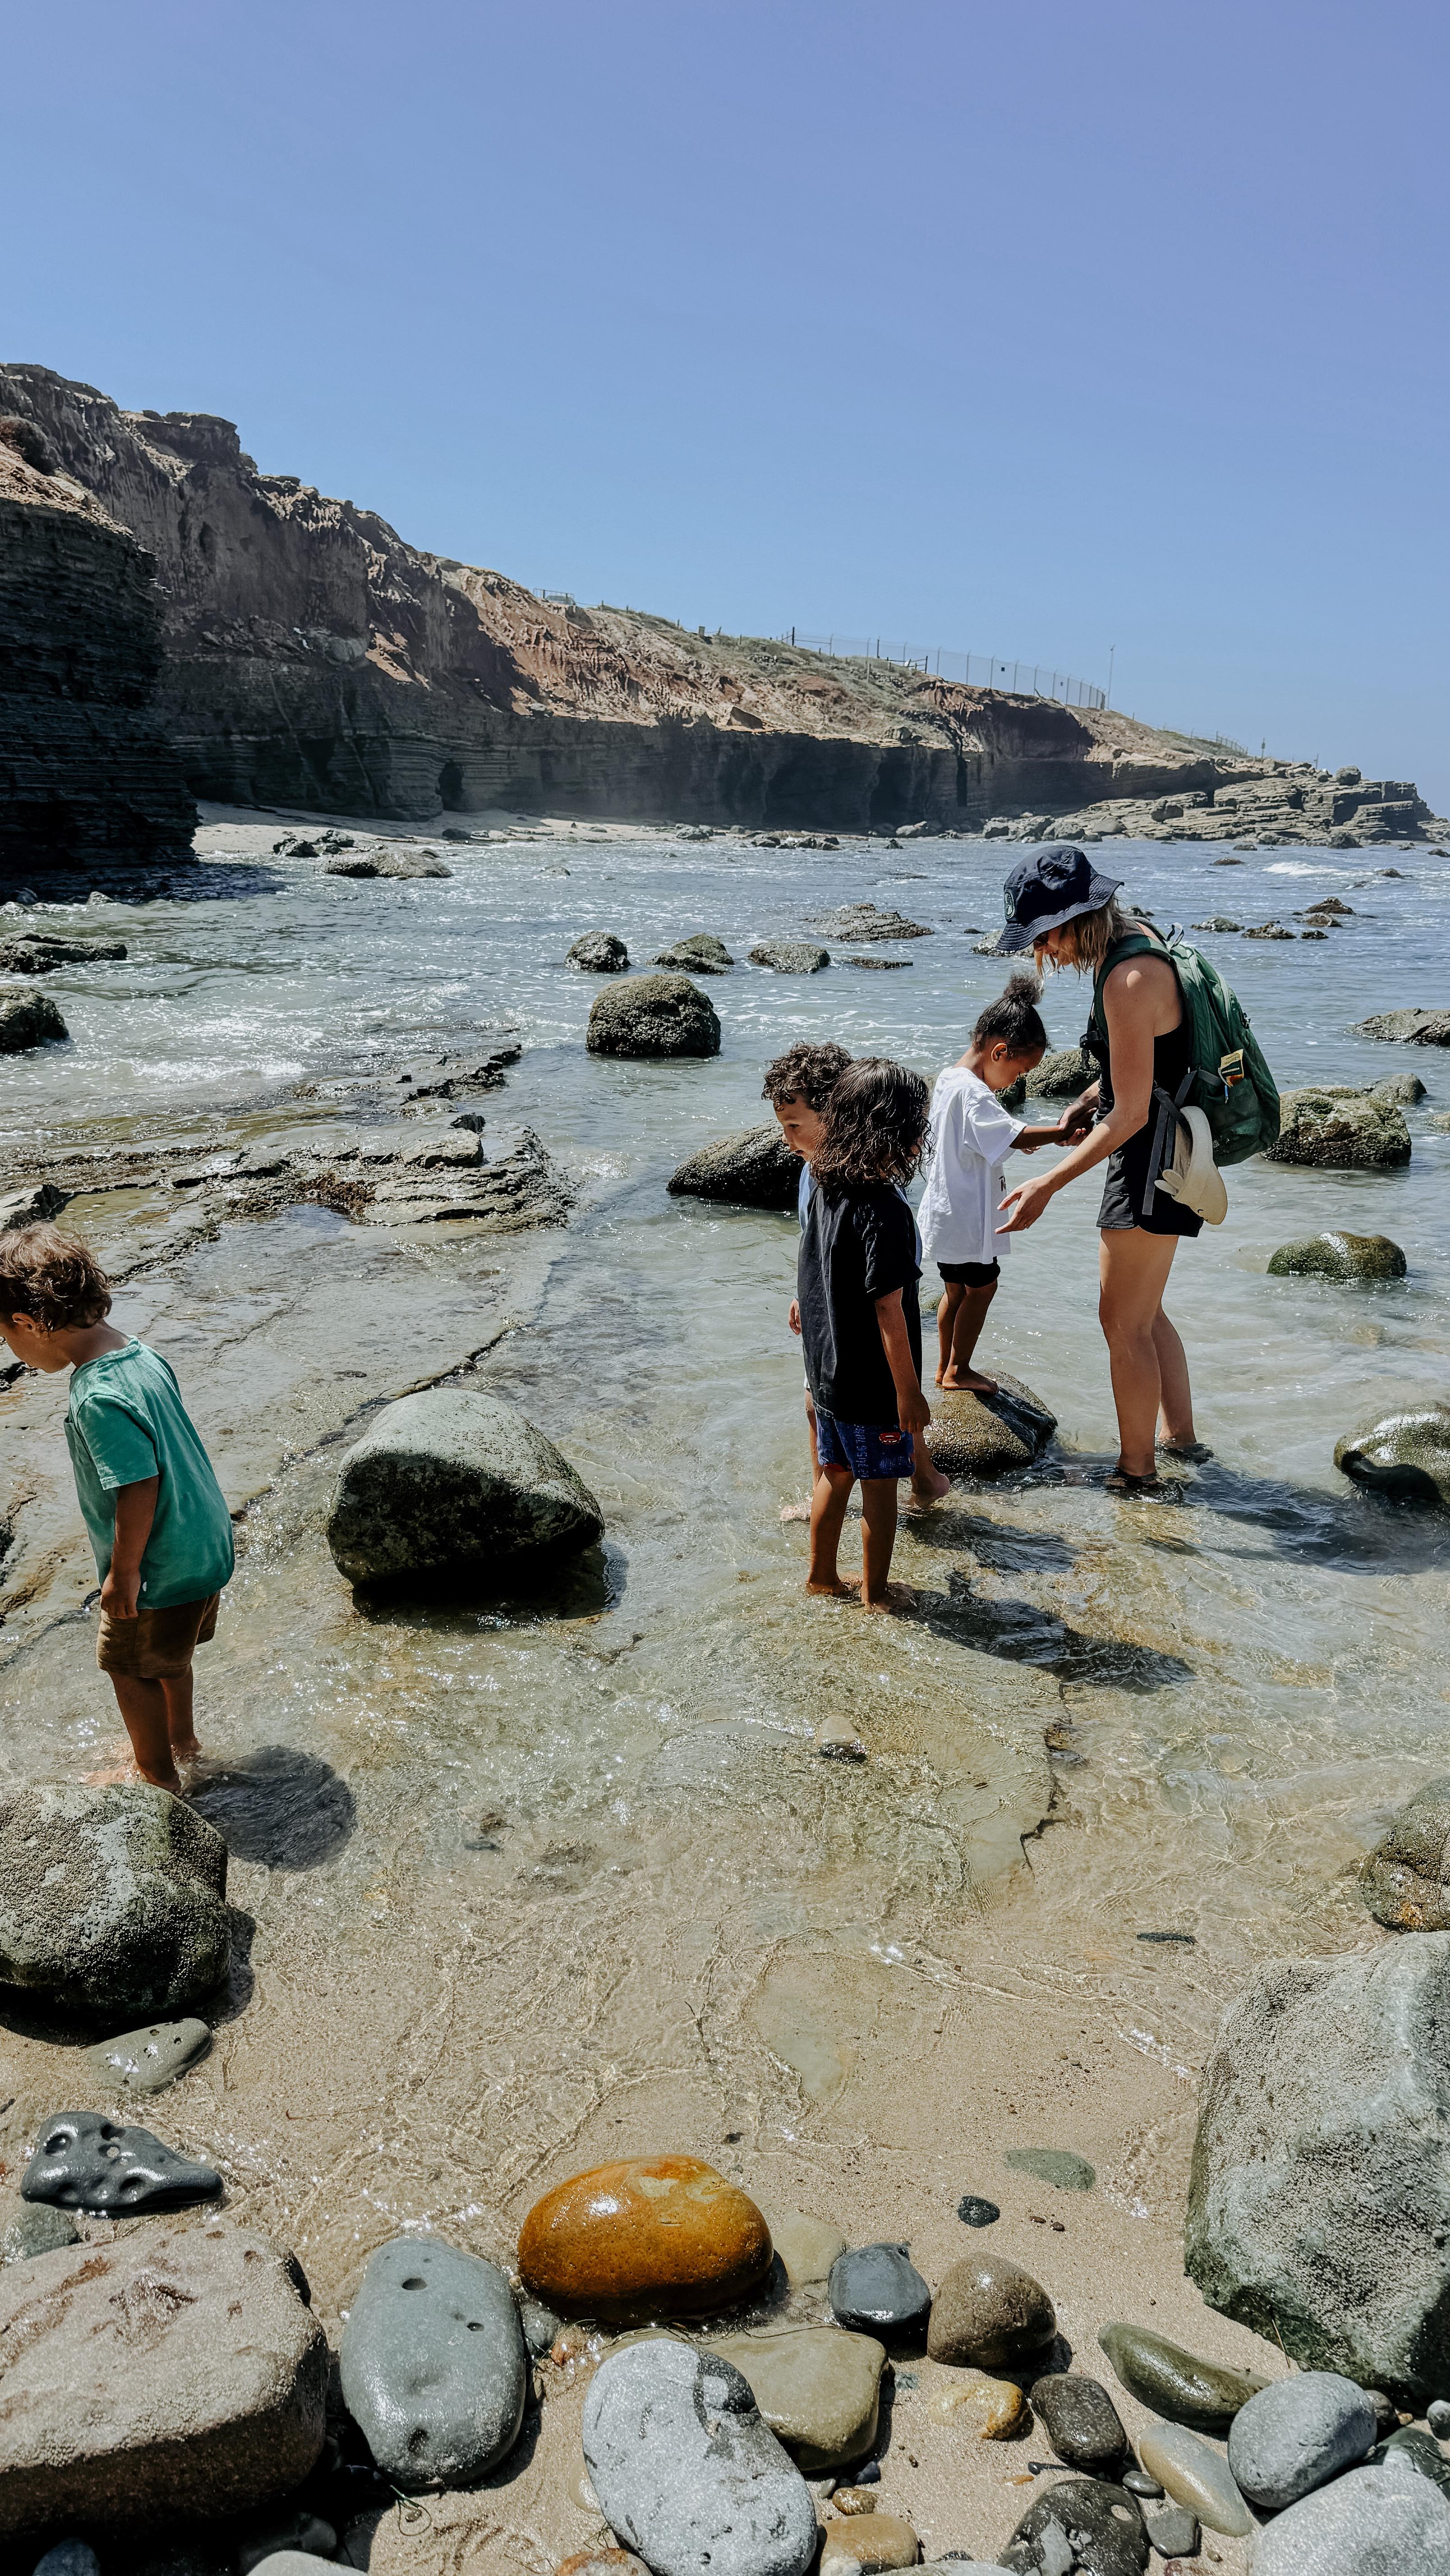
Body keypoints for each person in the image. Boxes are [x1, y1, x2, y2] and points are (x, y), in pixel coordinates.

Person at [994, 847, 1207, 1495]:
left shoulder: (1128, 978)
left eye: (1044, 938)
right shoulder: (1139, 938)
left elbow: (1135, 1114)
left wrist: (1047, 1186)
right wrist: (1089, 1100)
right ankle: (1182, 1443)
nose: (1045, 954)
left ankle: (1137, 1473)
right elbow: (1142, 1069)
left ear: (1073, 919)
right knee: (1145, 1312)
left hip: (1151, 1160)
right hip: (1176, 1145)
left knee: (1122, 1321)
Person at [0, 1225, 235, 1787]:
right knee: (169, 1660)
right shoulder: (138, 1352)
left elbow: (138, 1485)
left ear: (31, 1324)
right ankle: (182, 1741)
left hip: (157, 1566)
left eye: (7, 1337)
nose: (14, 1352)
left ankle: (156, 1774)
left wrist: (123, 1573)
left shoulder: (96, 1396)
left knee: (127, 1668)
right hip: (203, 1545)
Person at [763, 1043, 948, 1517]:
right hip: (831, 1299)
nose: (788, 1140)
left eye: (795, 1126)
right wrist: (802, 1292)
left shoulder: (869, 1182)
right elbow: (814, 1241)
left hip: (867, 1299)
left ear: (840, 1113)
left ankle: (917, 1476)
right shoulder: (817, 1172)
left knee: (891, 1402)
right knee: (819, 1404)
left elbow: (887, 1280)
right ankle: (825, 1488)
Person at [796, 1058, 935, 1609]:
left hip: (828, 1372)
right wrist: (908, 1391)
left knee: (833, 1473)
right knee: (881, 1489)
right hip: (874, 1385)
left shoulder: (825, 1186)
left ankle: (823, 1578)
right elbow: (890, 1310)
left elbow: (810, 1270)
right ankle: (876, 1595)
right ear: (899, 1133)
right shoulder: (884, 1210)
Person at [918, 973, 1074, 1392]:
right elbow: (1015, 1135)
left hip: (944, 1214)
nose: (1017, 1082)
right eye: (1021, 1072)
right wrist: (1060, 1132)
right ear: (1000, 1051)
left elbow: (986, 1139)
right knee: (983, 1288)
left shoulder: (950, 1079)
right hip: (967, 1216)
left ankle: (943, 1368)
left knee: (955, 1291)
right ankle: (958, 1370)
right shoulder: (975, 1093)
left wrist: (1041, 1137)